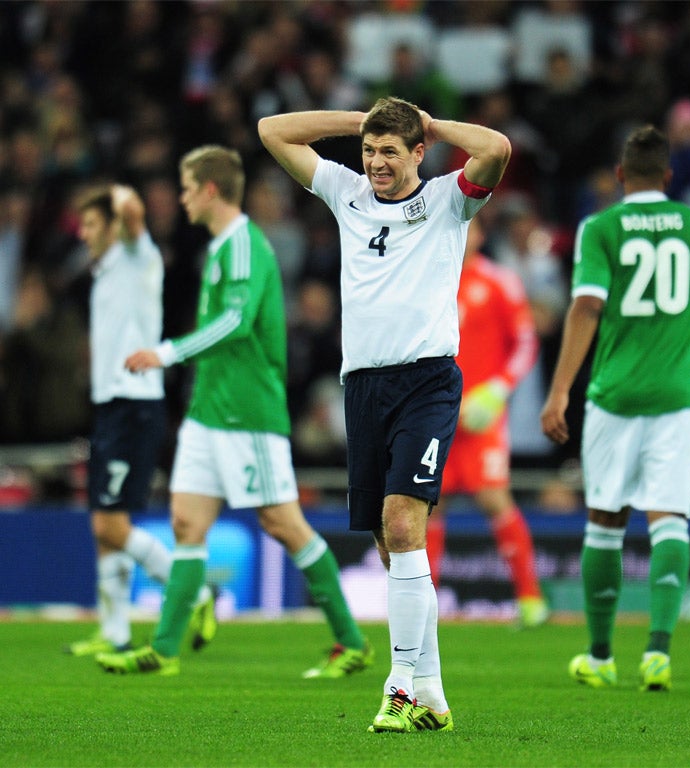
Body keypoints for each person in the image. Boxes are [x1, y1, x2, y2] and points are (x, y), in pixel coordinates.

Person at [258, 97, 511, 733]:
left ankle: (397, 687)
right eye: (370, 152)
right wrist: (359, 123)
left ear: (418, 154)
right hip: (363, 385)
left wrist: (427, 123)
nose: (375, 163)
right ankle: (432, 692)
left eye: (389, 151)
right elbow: (271, 131)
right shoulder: (346, 191)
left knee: (403, 524)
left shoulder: (451, 199)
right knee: (389, 540)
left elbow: (498, 149)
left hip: (426, 381)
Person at [95, 145, 369, 679]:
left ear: (210, 190)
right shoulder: (222, 247)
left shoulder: (244, 245)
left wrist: (167, 352)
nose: (182, 198)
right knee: (186, 523)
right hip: (207, 411)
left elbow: (237, 321)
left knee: (283, 523)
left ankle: (352, 642)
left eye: (187, 188)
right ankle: (166, 650)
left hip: (248, 414)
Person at [540, 125, 690, 692]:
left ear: (620, 176)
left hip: (615, 396)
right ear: (669, 177)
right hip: (679, 396)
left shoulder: (600, 227)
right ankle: (658, 653)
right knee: (669, 517)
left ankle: (600, 657)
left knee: (605, 520)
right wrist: (683, 350)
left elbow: (586, 307)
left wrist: (559, 392)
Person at [66, 183, 217, 658]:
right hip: (113, 405)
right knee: (104, 524)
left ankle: (197, 594)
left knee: (112, 526)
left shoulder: (137, 253)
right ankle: (113, 631)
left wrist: (116, 194)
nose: (85, 234)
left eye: (92, 225)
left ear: (112, 227)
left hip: (134, 406)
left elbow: (131, 207)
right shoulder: (108, 268)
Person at [428, 218, 548, 628]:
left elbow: (526, 342)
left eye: (471, 228)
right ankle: (426, 606)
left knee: (495, 499)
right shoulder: (427, 279)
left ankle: (530, 599)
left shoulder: (501, 281)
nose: (462, 235)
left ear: (480, 234)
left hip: (482, 417)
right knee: (429, 506)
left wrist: (497, 390)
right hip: (436, 413)